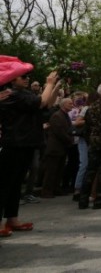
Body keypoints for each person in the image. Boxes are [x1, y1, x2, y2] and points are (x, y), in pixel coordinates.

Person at [0, 56, 61, 237]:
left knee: (16, 183)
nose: (27, 79)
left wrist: (55, 86)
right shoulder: (10, 95)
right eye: (23, 76)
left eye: (27, 76)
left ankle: (12, 218)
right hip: (14, 144)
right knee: (4, 184)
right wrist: (48, 83)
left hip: (27, 143)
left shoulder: (24, 94)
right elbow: (39, 102)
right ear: (12, 79)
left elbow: (46, 105)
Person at [40, 98, 74, 198]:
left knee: (59, 169)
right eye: (70, 103)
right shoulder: (57, 116)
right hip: (55, 147)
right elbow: (59, 131)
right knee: (51, 170)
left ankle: (56, 188)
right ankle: (46, 191)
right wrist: (70, 139)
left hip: (62, 147)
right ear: (63, 105)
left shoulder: (65, 115)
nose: (72, 105)